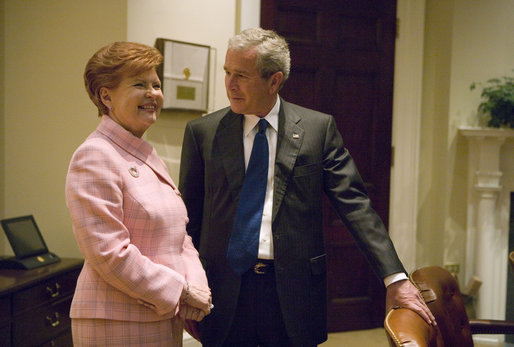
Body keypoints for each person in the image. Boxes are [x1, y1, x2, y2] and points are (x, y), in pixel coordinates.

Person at [179, 28, 435, 346]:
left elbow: (356, 206)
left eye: (241, 76)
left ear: (274, 81)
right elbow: (186, 221)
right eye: (227, 73)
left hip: (292, 293)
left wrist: (394, 277)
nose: (230, 84)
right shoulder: (203, 133)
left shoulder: (317, 130)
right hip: (223, 290)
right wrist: (185, 284)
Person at [66, 41, 212, 346]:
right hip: (115, 321)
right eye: (139, 84)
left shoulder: (143, 155)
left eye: (156, 84)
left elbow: (179, 235)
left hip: (161, 317)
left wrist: (198, 285)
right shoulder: (95, 155)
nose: (153, 94)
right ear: (106, 96)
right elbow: (109, 253)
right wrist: (181, 291)